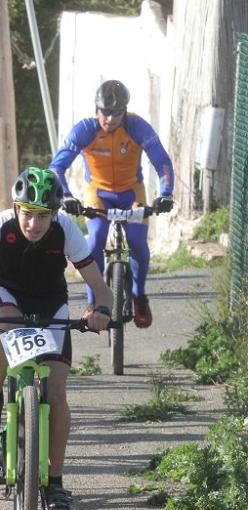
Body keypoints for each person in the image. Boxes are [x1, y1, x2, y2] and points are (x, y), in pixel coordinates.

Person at [0, 167, 112, 510]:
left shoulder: (66, 230)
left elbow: (100, 285)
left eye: (43, 216)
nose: (34, 224)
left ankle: (55, 484)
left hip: (51, 302)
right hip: (6, 293)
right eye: (27, 215)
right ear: (16, 209)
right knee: (6, 325)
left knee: (57, 392)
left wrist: (101, 310)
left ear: (55, 214)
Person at [49, 79, 174, 328]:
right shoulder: (85, 129)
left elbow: (162, 162)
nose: (110, 118)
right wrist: (66, 196)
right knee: (94, 240)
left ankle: (139, 295)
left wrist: (165, 193)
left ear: (124, 112)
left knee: (138, 242)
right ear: (96, 110)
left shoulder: (137, 126)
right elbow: (57, 166)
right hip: (98, 192)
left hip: (131, 191)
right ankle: (93, 302)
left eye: (117, 112)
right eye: (105, 111)